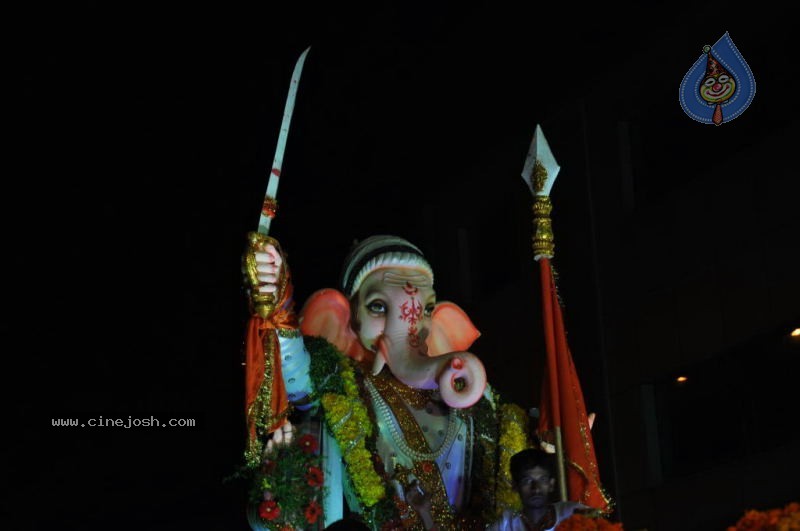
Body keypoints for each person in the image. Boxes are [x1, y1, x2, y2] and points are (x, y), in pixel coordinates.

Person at [242, 233, 527, 530]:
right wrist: (275, 300)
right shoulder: (345, 385)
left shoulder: (473, 401)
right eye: (378, 307)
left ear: (443, 321)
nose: (411, 326)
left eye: (425, 310)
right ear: (343, 318)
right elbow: (295, 376)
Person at [488, 449, 588, 531]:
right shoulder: (506, 525)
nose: (536, 488)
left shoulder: (572, 514)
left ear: (551, 484)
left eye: (542, 480)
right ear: (515, 486)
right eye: (527, 481)